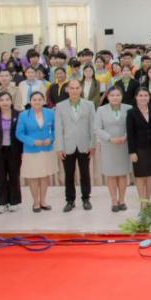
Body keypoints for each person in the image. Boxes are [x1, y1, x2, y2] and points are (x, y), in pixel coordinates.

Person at [53, 79, 97, 212]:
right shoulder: (60, 106)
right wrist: (59, 147)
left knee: (85, 173)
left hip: (85, 145)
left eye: (77, 88)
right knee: (69, 174)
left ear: (81, 89)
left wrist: (92, 144)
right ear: (67, 90)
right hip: (67, 146)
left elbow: (93, 126)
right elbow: (58, 128)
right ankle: (70, 200)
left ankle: (86, 199)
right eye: (71, 88)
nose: (74, 91)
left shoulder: (89, 105)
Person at [15, 91, 55, 212]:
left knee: (44, 176)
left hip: (47, 149)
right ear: (30, 102)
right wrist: (32, 141)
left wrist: (51, 139)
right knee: (33, 177)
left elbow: (55, 129)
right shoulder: (23, 115)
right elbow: (19, 134)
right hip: (31, 150)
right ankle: (35, 202)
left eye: (39, 99)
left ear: (43, 101)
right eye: (34, 100)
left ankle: (43, 201)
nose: (37, 102)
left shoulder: (50, 113)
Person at [94, 87, 131, 211]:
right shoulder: (101, 110)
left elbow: (132, 126)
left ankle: (122, 200)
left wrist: (126, 136)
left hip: (124, 145)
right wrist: (110, 138)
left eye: (118, 95)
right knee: (111, 175)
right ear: (107, 97)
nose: (115, 97)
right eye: (112, 95)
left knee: (122, 174)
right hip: (109, 146)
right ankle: (114, 201)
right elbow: (97, 128)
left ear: (122, 96)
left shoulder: (129, 108)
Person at [126, 88, 151, 206]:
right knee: (140, 176)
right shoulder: (131, 113)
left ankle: (148, 200)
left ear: (149, 97)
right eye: (140, 95)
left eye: (146, 95)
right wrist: (132, 152)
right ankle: (142, 203)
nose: (143, 98)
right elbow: (130, 134)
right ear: (136, 97)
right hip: (139, 149)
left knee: (150, 175)